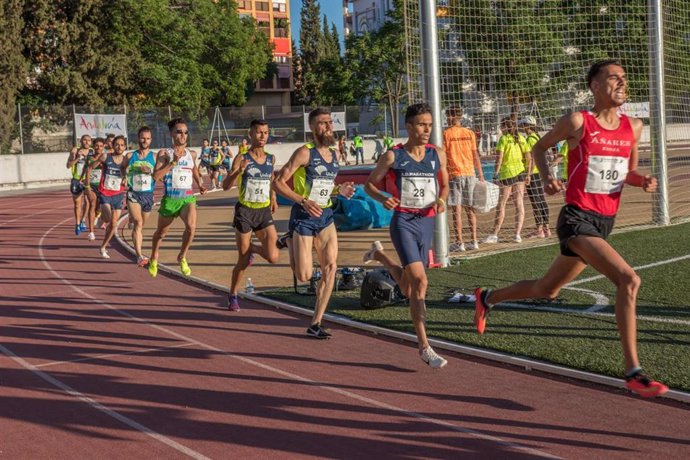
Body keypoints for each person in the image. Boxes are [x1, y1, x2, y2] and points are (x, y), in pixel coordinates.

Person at [474, 59, 668, 398]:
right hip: (577, 219)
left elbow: (627, 172)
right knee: (628, 279)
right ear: (594, 85)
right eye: (613, 78)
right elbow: (539, 147)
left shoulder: (633, 127)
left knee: (547, 289)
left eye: (624, 78)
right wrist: (548, 177)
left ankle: (487, 298)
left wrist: (642, 180)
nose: (621, 83)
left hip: (603, 223)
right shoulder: (580, 122)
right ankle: (634, 371)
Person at [363, 103, 450, 369]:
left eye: (430, 124)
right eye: (422, 124)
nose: (427, 129)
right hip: (403, 223)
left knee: (408, 288)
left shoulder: (437, 155)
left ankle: (380, 257)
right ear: (409, 127)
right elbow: (369, 185)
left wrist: (442, 200)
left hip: (426, 223)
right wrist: (383, 197)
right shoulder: (393, 157)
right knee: (421, 282)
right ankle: (425, 346)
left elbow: (445, 184)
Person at [274, 107, 355, 339]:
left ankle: (316, 322)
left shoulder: (334, 155)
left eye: (330, 122)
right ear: (312, 127)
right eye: (322, 123)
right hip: (303, 217)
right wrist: (303, 200)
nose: (328, 126)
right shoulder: (304, 153)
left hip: (326, 216)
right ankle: (289, 241)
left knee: (331, 268)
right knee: (304, 275)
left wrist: (341, 189)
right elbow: (278, 183)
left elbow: (326, 186)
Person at [222, 119, 279, 311]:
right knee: (243, 261)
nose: (263, 136)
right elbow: (225, 186)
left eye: (265, 132)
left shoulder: (271, 158)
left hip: (263, 211)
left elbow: (271, 180)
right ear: (250, 134)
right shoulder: (242, 157)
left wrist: (273, 197)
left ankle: (254, 249)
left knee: (273, 257)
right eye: (259, 132)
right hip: (245, 212)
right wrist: (239, 170)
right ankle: (233, 294)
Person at [148, 118, 207, 278]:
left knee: (191, 227)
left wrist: (199, 183)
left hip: (187, 198)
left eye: (185, 132)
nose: (183, 135)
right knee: (160, 233)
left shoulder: (191, 153)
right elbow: (156, 176)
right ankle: (154, 256)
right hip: (170, 200)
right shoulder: (164, 153)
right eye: (179, 132)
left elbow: (193, 169)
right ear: (172, 134)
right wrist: (172, 163)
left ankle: (182, 256)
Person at [444, 107, 484, 252]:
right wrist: (480, 174)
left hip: (455, 173)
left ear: (451, 116)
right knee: (470, 209)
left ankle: (459, 241)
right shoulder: (469, 133)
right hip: (469, 173)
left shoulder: (446, 134)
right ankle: (474, 240)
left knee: (457, 210)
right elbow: (475, 155)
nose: (447, 119)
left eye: (448, 116)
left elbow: (443, 156)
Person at [483, 117, 528, 243]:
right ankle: (517, 234)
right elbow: (528, 156)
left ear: (504, 127)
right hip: (520, 172)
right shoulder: (521, 138)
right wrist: (527, 172)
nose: (500, 129)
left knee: (501, 204)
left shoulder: (503, 139)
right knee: (519, 203)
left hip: (506, 173)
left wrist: (495, 174)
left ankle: (494, 234)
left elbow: (499, 158)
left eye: (501, 126)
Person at [86, 135, 128, 259]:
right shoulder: (105, 157)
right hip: (105, 193)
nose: (119, 147)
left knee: (114, 225)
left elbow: (126, 171)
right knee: (108, 218)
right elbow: (90, 168)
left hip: (118, 194)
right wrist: (87, 185)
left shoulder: (126, 160)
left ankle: (103, 247)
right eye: (117, 144)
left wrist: (125, 178)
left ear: (125, 147)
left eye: (122, 145)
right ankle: (102, 217)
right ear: (112, 146)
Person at [125, 126, 157, 266]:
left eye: (148, 138)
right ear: (138, 138)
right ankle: (139, 256)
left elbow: (159, 175)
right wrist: (123, 176)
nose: (145, 141)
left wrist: (149, 170)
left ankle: (132, 218)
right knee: (138, 224)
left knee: (141, 224)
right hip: (133, 193)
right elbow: (122, 167)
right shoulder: (130, 156)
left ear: (151, 140)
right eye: (142, 138)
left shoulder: (155, 156)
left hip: (148, 195)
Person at [520, 116, 551, 238]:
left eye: (523, 125)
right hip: (538, 172)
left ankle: (539, 229)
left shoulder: (531, 139)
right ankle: (546, 228)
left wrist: (528, 174)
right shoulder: (536, 137)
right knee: (541, 199)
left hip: (533, 172)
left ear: (527, 126)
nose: (521, 127)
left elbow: (532, 158)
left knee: (535, 200)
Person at [66, 134, 92, 235]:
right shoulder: (75, 151)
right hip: (76, 180)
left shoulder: (93, 152)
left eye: (89, 140)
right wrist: (77, 157)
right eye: (84, 140)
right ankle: (77, 223)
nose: (86, 142)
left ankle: (83, 220)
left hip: (88, 181)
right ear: (80, 141)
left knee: (87, 201)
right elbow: (68, 165)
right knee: (77, 204)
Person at [83, 138, 106, 241]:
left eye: (101, 146)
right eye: (96, 146)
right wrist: (85, 184)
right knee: (92, 204)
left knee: (99, 207)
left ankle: (98, 214)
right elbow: (87, 169)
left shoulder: (106, 158)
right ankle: (91, 232)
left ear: (103, 147)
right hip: (92, 185)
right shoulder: (89, 158)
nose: (98, 148)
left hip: (103, 186)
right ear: (93, 146)